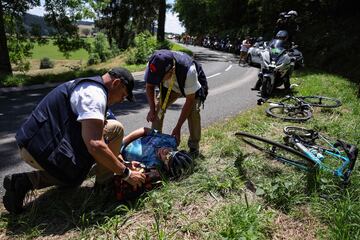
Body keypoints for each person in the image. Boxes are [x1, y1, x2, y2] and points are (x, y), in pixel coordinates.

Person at [3, 68, 146, 214]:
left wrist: (122, 162)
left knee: (77, 176)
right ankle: (104, 188)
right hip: (41, 148)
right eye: (123, 95)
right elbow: (95, 144)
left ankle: (24, 182)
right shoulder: (94, 95)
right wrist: (126, 173)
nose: (122, 101)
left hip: (38, 145)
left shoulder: (92, 88)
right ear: (116, 83)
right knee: (115, 129)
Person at [144, 49, 208, 157]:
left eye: (159, 78)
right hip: (170, 86)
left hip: (191, 86)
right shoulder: (153, 64)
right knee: (158, 109)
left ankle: (194, 147)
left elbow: (190, 101)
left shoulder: (189, 71)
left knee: (193, 112)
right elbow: (149, 86)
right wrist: (152, 109)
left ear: (171, 70)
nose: (157, 80)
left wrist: (178, 128)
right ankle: (155, 142)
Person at [121, 127, 193, 177]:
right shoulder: (171, 141)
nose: (166, 151)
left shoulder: (153, 165)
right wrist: (123, 142)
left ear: (166, 167)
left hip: (117, 154)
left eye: (168, 157)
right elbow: (145, 130)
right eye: (172, 151)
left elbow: (127, 166)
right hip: (122, 141)